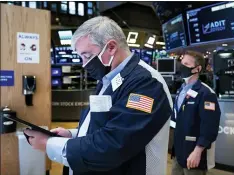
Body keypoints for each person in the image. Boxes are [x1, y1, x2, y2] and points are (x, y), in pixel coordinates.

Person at [24, 16, 173, 175]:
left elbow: (114, 144)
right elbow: (104, 124)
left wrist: (49, 144)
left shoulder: (146, 84)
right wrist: (73, 134)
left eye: (87, 56)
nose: (83, 64)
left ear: (111, 47)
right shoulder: (109, 78)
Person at [171, 50, 221, 175]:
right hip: (178, 153)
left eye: (186, 64)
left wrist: (197, 151)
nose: (182, 67)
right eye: (181, 63)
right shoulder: (181, 90)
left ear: (197, 69)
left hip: (194, 155)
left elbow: (210, 127)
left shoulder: (206, 93)